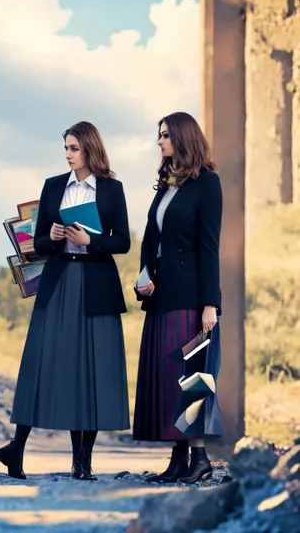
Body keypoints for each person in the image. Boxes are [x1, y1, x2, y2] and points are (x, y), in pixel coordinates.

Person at [0, 121, 130, 481]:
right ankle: (16, 450)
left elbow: (124, 242)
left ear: (89, 148)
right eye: (66, 149)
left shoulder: (112, 189)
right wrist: (52, 235)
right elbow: (36, 242)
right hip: (58, 284)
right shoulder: (54, 186)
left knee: (92, 369)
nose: (69, 155)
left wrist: (92, 241)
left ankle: (82, 462)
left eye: (74, 148)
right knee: (41, 361)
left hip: (96, 283)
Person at [133, 112, 224, 484]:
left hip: (191, 299)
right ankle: (178, 458)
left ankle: (200, 459)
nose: (160, 142)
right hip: (162, 297)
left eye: (166, 136)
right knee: (169, 376)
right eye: (159, 136)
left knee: (192, 375)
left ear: (184, 138)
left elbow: (209, 248)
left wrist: (210, 304)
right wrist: (143, 277)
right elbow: (151, 241)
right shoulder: (166, 185)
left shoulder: (208, 184)